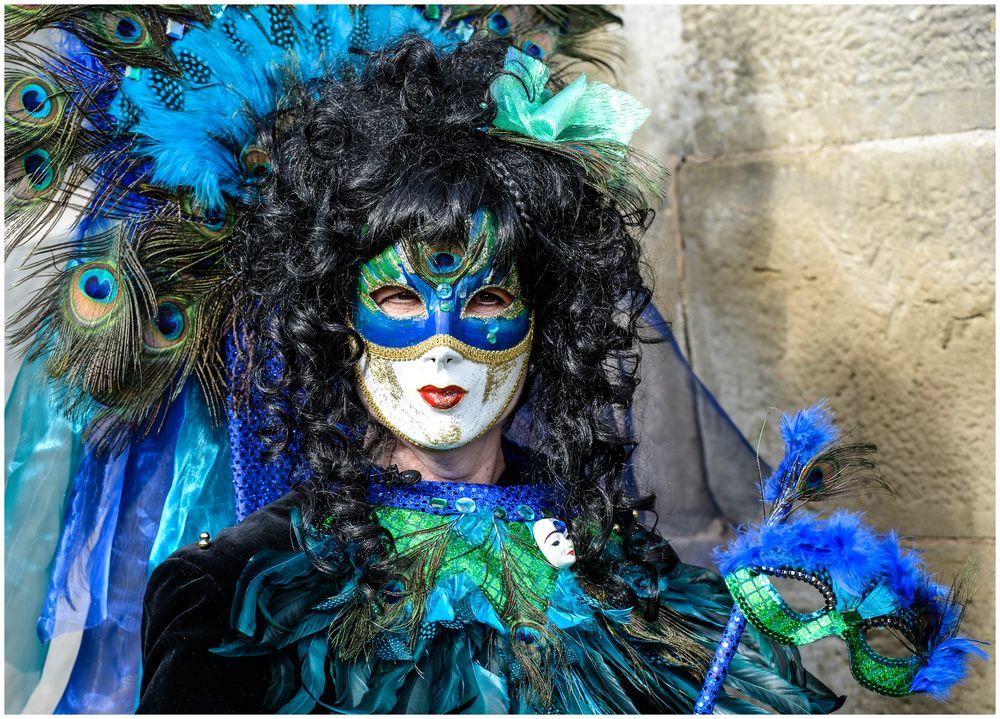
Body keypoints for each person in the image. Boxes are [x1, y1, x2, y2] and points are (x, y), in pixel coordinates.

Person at [136, 35, 844, 714]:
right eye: (400, 299)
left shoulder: (623, 569)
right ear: (337, 324)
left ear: (544, 326)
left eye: (486, 300)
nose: (443, 345)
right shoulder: (232, 592)